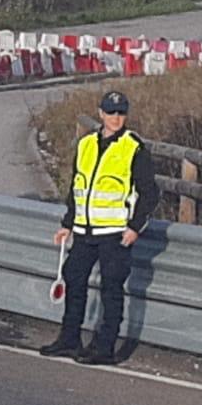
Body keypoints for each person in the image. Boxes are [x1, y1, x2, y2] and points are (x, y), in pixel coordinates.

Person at [41, 89, 159, 365]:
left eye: (121, 113)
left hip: (115, 234)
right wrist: (67, 224)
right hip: (84, 230)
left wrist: (134, 227)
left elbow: (150, 193)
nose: (116, 118)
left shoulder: (133, 147)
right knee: (74, 278)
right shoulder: (86, 144)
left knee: (111, 288)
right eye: (111, 112)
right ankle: (70, 339)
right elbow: (78, 187)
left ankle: (104, 347)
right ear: (101, 113)